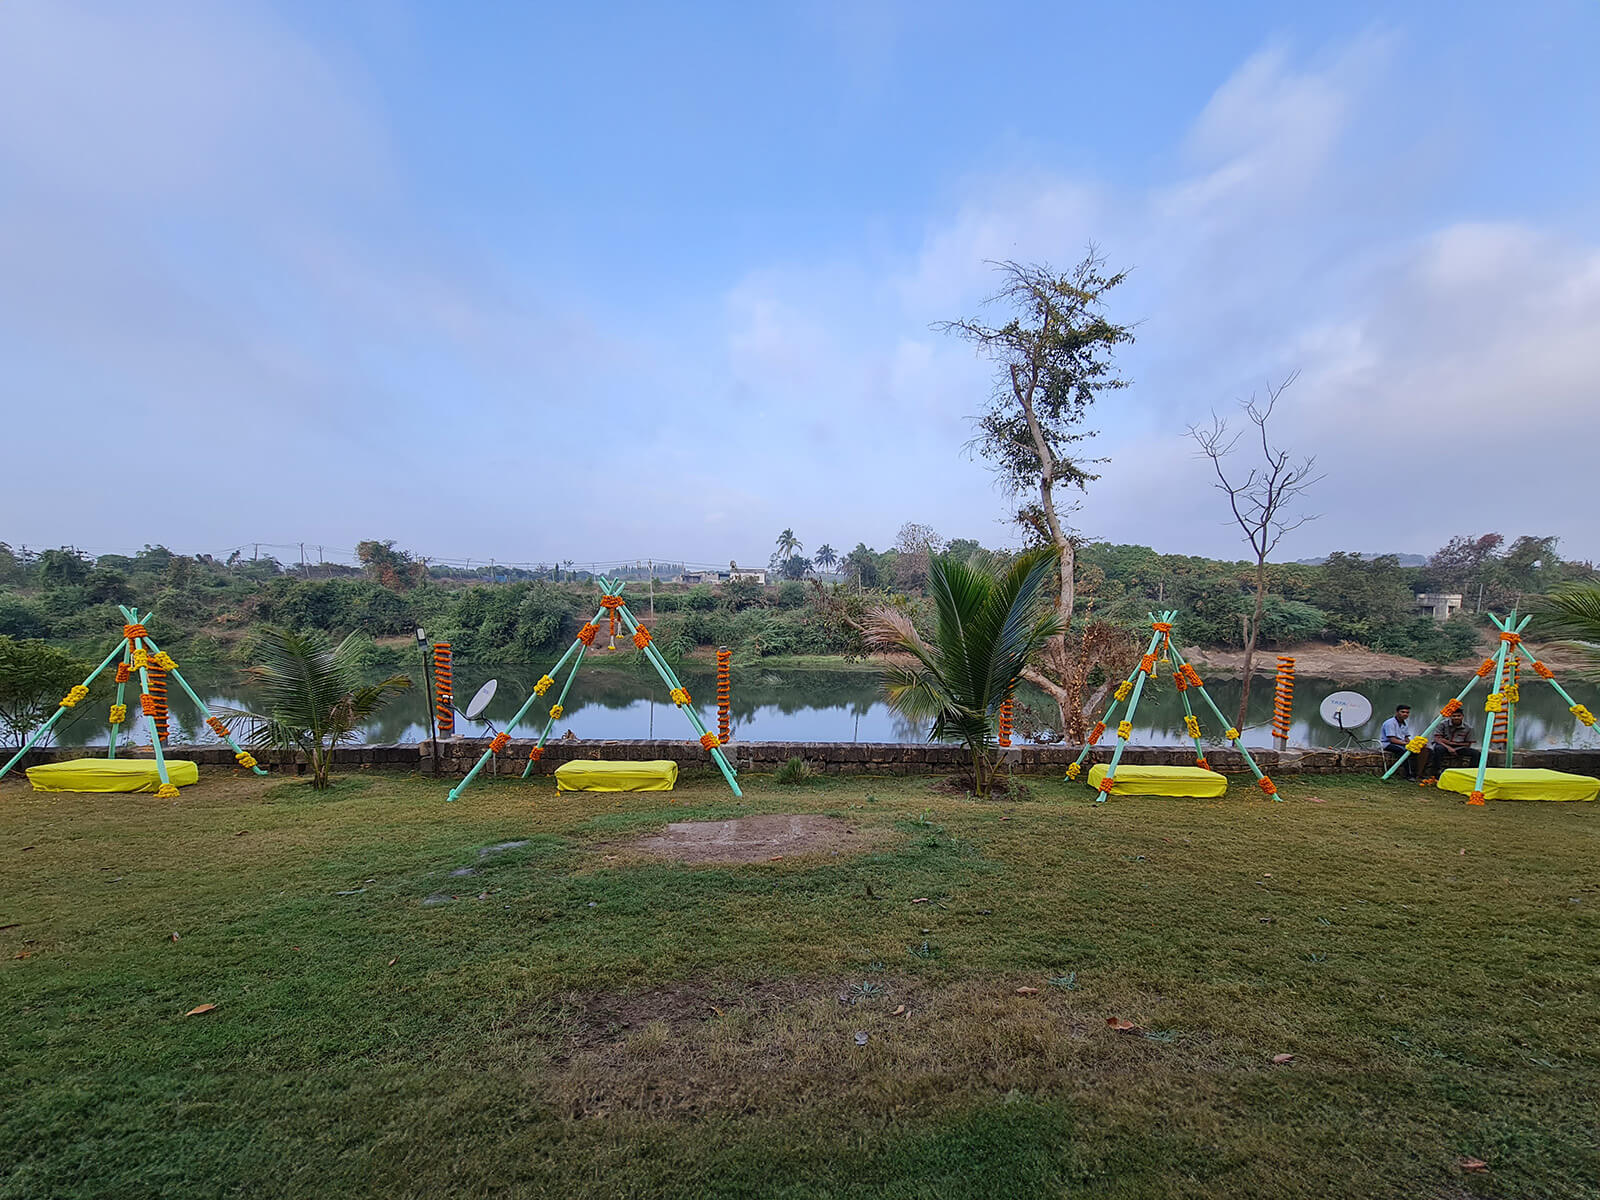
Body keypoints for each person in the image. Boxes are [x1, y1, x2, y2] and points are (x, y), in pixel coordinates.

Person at [1430, 710, 1477, 777]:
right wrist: (1449, 747)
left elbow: (1468, 743)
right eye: (1454, 716)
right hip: (1444, 746)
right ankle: (1436, 771)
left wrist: (1453, 745)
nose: (1456, 718)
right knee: (1438, 749)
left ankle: (1471, 773)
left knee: (1476, 753)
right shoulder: (1442, 724)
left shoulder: (1468, 728)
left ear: (1462, 717)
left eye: (1458, 716)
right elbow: (1437, 739)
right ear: (1450, 717)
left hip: (1459, 747)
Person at [1380, 703, 1417, 780]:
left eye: (1407, 712)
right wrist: (1405, 744)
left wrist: (1412, 744)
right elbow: (1392, 739)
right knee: (1402, 751)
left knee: (1415, 750)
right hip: (1388, 744)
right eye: (1402, 712)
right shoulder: (1390, 723)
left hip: (1401, 743)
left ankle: (1416, 773)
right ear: (1397, 713)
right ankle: (1408, 774)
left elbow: (1406, 737)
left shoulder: (1404, 723)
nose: (1405, 714)